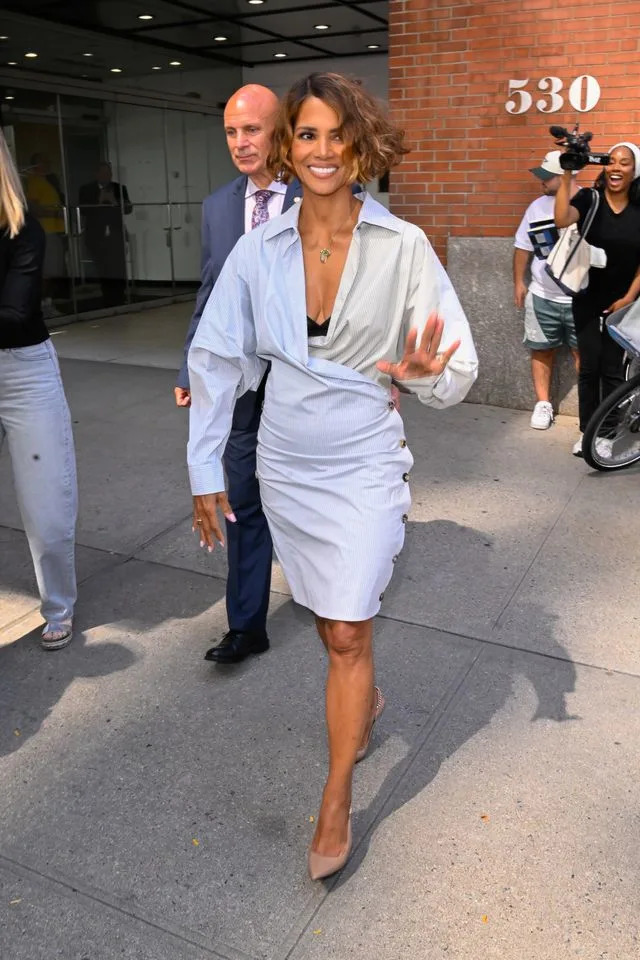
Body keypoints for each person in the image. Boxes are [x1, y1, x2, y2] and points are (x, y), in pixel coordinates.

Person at [187, 72, 478, 879]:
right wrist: (204, 465)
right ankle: (363, 704)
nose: (321, 150)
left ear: (362, 145)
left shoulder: (403, 245)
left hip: (361, 456)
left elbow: (458, 369)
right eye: (306, 135)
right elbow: (216, 357)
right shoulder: (259, 248)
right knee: (328, 620)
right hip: (284, 459)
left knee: (349, 629)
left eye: (336, 134)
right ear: (289, 146)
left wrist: (422, 371)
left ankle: (338, 791)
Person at [175, 84, 303, 665]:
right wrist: (189, 366)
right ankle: (247, 625)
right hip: (240, 384)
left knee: (305, 496)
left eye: (251, 129)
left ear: (279, 131)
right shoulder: (216, 205)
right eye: (231, 131)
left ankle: (327, 586)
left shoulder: (323, 193)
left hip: (307, 382)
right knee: (242, 499)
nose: (240, 142)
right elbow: (210, 293)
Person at [0, 132, 78, 650]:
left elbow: (14, 313)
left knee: (48, 508)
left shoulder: (22, 229)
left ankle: (59, 605)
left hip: (22, 371)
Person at [555, 142, 640, 455]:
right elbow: (562, 219)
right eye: (612, 161)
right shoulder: (590, 199)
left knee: (614, 371)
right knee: (589, 367)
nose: (616, 168)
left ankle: (605, 434)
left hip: (624, 303)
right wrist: (567, 174)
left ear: (635, 170)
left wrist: (629, 298)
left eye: (625, 163)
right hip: (588, 296)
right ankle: (587, 431)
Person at [514, 151, 580, 429]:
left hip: (581, 298)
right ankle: (543, 404)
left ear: (564, 176)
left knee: (584, 354)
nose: (541, 181)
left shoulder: (589, 202)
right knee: (541, 351)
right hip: (542, 295)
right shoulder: (536, 207)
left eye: (546, 176)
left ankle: (589, 408)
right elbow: (522, 246)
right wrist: (519, 281)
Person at [79, 162, 132, 307]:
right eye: (103, 173)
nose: (107, 176)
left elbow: (128, 208)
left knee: (118, 267)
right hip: (97, 236)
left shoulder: (119, 188)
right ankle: (108, 298)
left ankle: (120, 297)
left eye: (109, 173)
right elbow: (82, 210)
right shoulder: (86, 189)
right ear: (97, 174)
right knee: (103, 268)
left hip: (116, 234)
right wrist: (98, 202)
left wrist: (115, 202)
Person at [24, 153, 67, 318]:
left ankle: (48, 303)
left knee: (54, 271)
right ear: (37, 165)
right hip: (45, 231)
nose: (48, 164)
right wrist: (55, 213)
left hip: (54, 231)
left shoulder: (49, 182)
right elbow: (33, 208)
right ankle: (42, 306)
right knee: (47, 272)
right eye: (45, 162)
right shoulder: (34, 182)